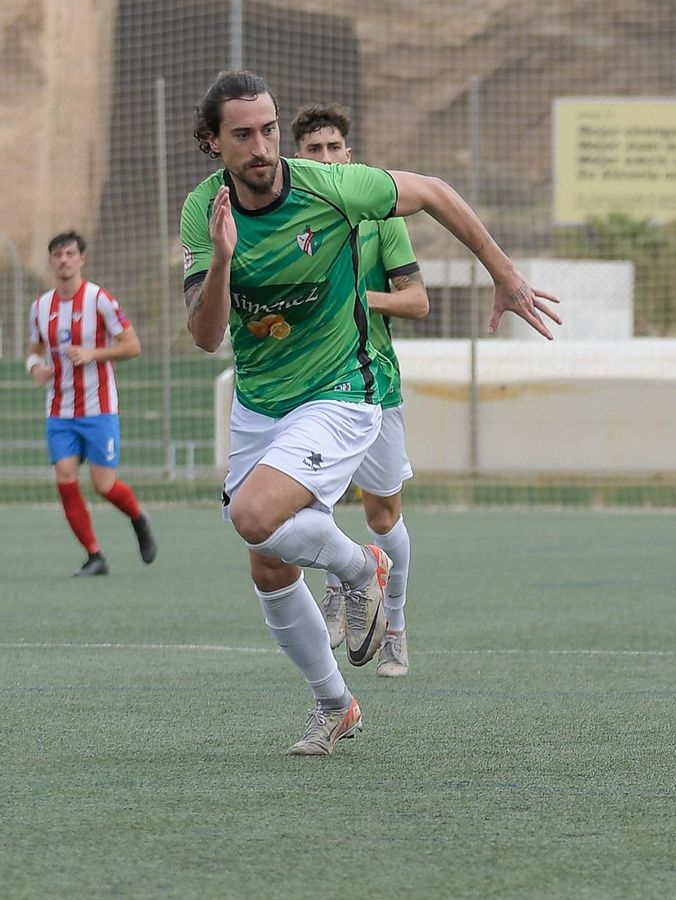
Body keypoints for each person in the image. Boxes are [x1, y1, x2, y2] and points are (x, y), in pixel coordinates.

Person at [181, 71, 559, 756]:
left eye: (269, 130)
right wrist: (223, 261)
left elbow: (434, 192)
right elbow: (207, 337)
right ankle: (336, 705)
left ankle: (362, 569)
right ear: (212, 141)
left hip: (341, 391)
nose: (261, 147)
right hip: (260, 403)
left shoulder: (331, 187)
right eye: (243, 134)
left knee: (253, 516)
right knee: (269, 567)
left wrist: (502, 271)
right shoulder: (204, 212)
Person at [292, 103, 428, 678]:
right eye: (314, 150)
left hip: (374, 382)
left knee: (382, 515)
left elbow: (417, 301)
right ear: (297, 158)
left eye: (334, 149)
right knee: (307, 503)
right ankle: (340, 585)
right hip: (310, 384)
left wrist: (356, 299)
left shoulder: (380, 215)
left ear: (349, 155)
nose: (326, 159)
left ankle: (394, 625)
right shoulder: (286, 221)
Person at [26, 231, 158, 576]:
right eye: (57, 255)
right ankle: (94, 555)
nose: (64, 260)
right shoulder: (40, 307)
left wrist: (92, 354)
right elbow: (34, 351)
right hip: (59, 411)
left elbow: (133, 346)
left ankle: (138, 518)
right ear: (51, 261)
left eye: (70, 254)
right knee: (65, 480)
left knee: (104, 485)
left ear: (81, 259)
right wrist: (34, 368)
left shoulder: (99, 300)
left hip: (99, 408)